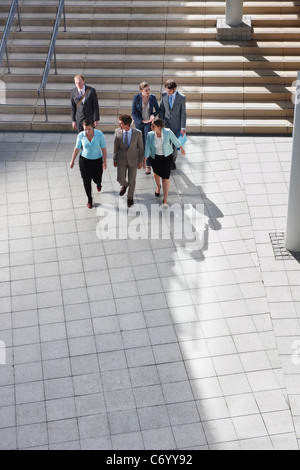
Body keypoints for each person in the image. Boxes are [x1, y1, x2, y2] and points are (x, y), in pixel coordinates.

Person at [145, 119, 185, 207]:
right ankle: (158, 187)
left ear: (159, 127)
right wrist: (145, 160)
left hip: (167, 158)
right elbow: (147, 146)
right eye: (151, 125)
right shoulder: (150, 134)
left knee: (165, 179)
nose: (151, 127)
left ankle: (165, 200)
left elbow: (175, 140)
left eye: (153, 126)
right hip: (155, 158)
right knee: (156, 174)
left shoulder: (168, 132)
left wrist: (181, 148)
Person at [70, 118, 107, 209]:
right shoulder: (81, 135)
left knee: (97, 179)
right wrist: (72, 160)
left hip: (97, 161)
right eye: (85, 129)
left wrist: (104, 161)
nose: (87, 131)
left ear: (93, 127)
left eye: (89, 129)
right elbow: (77, 148)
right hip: (84, 161)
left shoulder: (99, 134)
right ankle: (89, 199)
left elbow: (103, 149)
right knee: (86, 181)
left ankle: (98, 183)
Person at [113, 114, 144, 208]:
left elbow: (141, 148)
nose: (119, 125)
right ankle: (125, 185)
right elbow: (115, 147)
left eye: (121, 124)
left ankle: (130, 198)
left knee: (132, 180)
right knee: (120, 179)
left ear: (127, 124)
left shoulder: (137, 133)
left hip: (133, 160)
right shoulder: (117, 132)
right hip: (121, 160)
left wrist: (140, 161)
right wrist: (114, 159)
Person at [131, 82, 160, 175]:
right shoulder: (136, 98)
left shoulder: (152, 98)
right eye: (146, 90)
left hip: (149, 123)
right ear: (141, 90)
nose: (148, 92)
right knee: (141, 142)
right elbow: (133, 112)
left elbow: (158, 110)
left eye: (149, 90)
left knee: (148, 142)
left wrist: (153, 115)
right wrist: (141, 120)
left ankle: (148, 165)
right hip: (140, 123)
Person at [159, 79, 186, 170]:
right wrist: (160, 123)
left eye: (170, 91)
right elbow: (162, 110)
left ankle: (172, 162)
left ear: (174, 89)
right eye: (167, 90)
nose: (168, 92)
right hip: (166, 124)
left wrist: (183, 127)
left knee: (174, 145)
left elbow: (183, 113)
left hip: (176, 125)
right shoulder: (163, 94)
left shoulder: (181, 97)